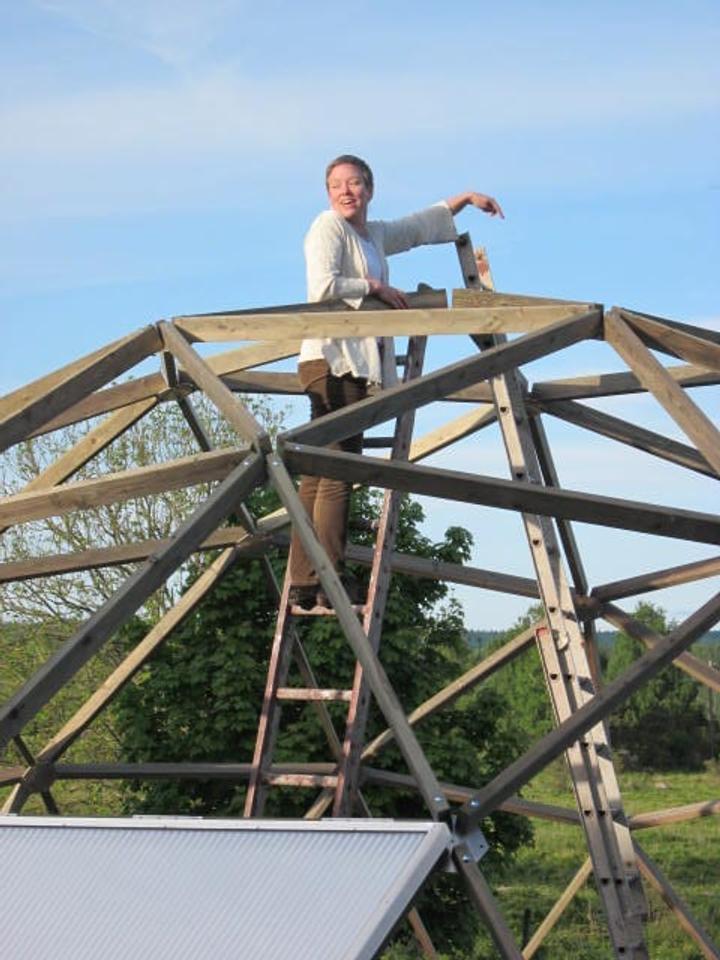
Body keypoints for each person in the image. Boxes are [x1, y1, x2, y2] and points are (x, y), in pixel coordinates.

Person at [288, 154, 503, 609]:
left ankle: (306, 581)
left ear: (370, 189)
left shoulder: (373, 234)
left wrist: (464, 199)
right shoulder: (327, 227)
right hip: (333, 361)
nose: (346, 192)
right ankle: (326, 580)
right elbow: (322, 285)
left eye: (355, 184)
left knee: (318, 475)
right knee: (337, 474)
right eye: (337, 185)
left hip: (344, 362)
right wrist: (374, 287)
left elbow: (417, 227)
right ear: (328, 193)